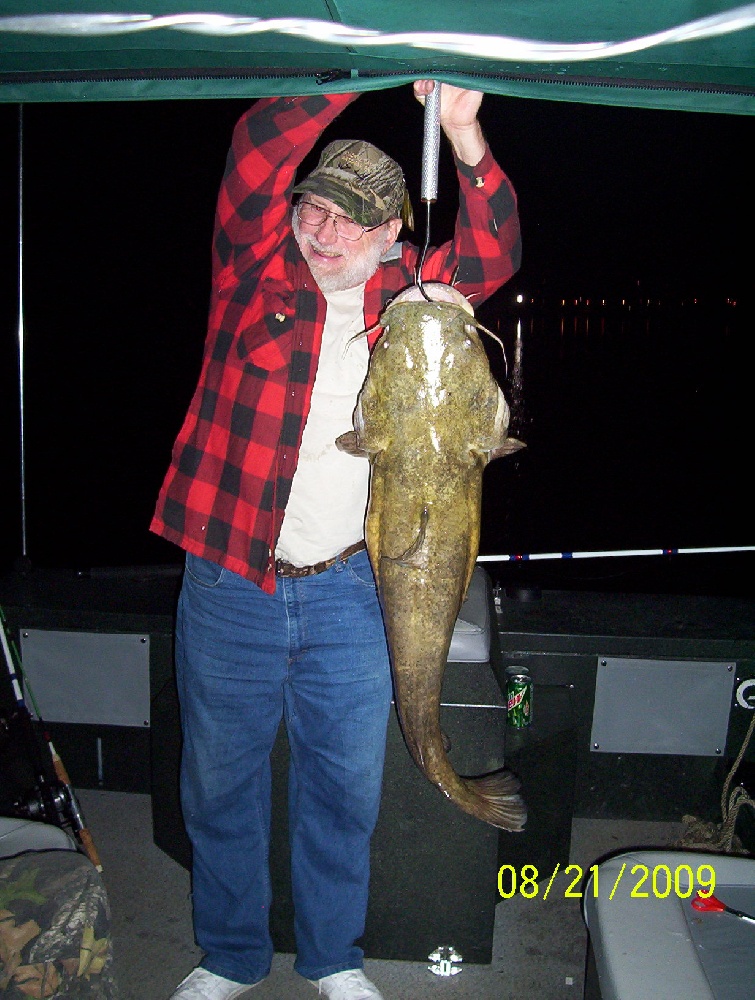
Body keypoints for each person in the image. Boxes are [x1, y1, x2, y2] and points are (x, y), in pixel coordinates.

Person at [150, 80, 521, 1000]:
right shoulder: (251, 271)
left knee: (341, 791)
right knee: (220, 787)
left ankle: (332, 957)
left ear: (397, 236)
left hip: (357, 588)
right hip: (230, 575)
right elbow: (253, 151)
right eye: (314, 209)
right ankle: (230, 955)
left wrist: (465, 134)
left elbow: (496, 247)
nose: (324, 232)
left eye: (354, 222)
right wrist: (358, 60)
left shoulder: (417, 301)